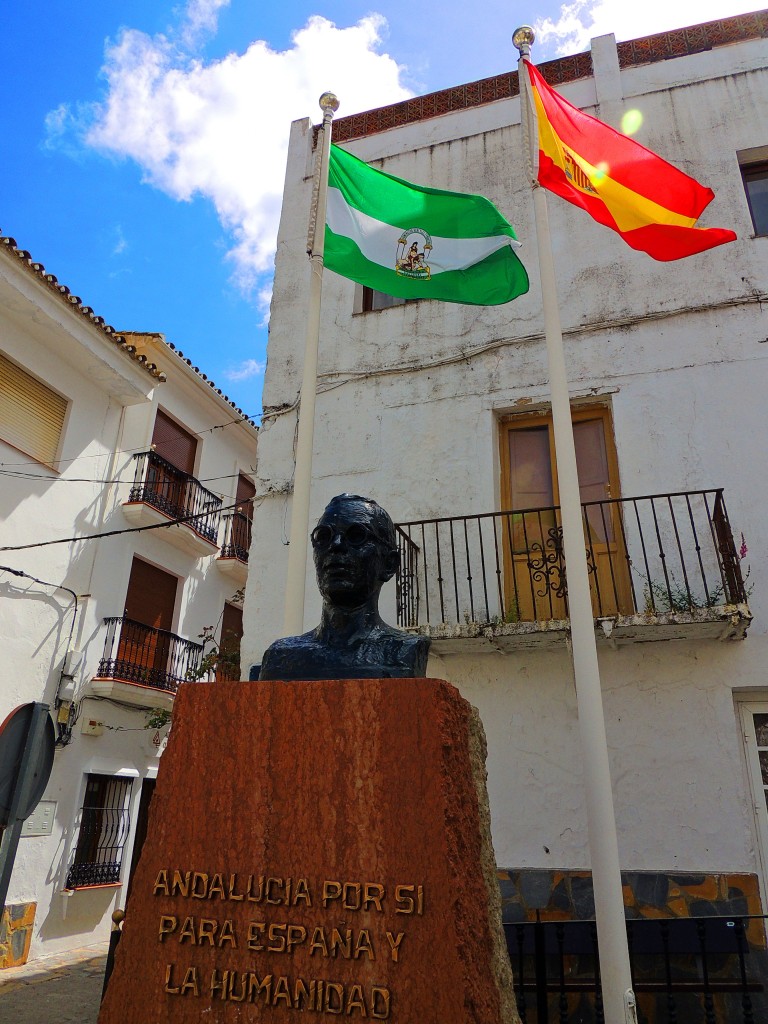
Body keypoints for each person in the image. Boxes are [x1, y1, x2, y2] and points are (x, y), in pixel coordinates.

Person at [259, 494, 430, 680]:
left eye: (356, 536)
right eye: (323, 537)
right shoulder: (281, 656)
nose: (336, 545)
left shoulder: (404, 651)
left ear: (389, 565)